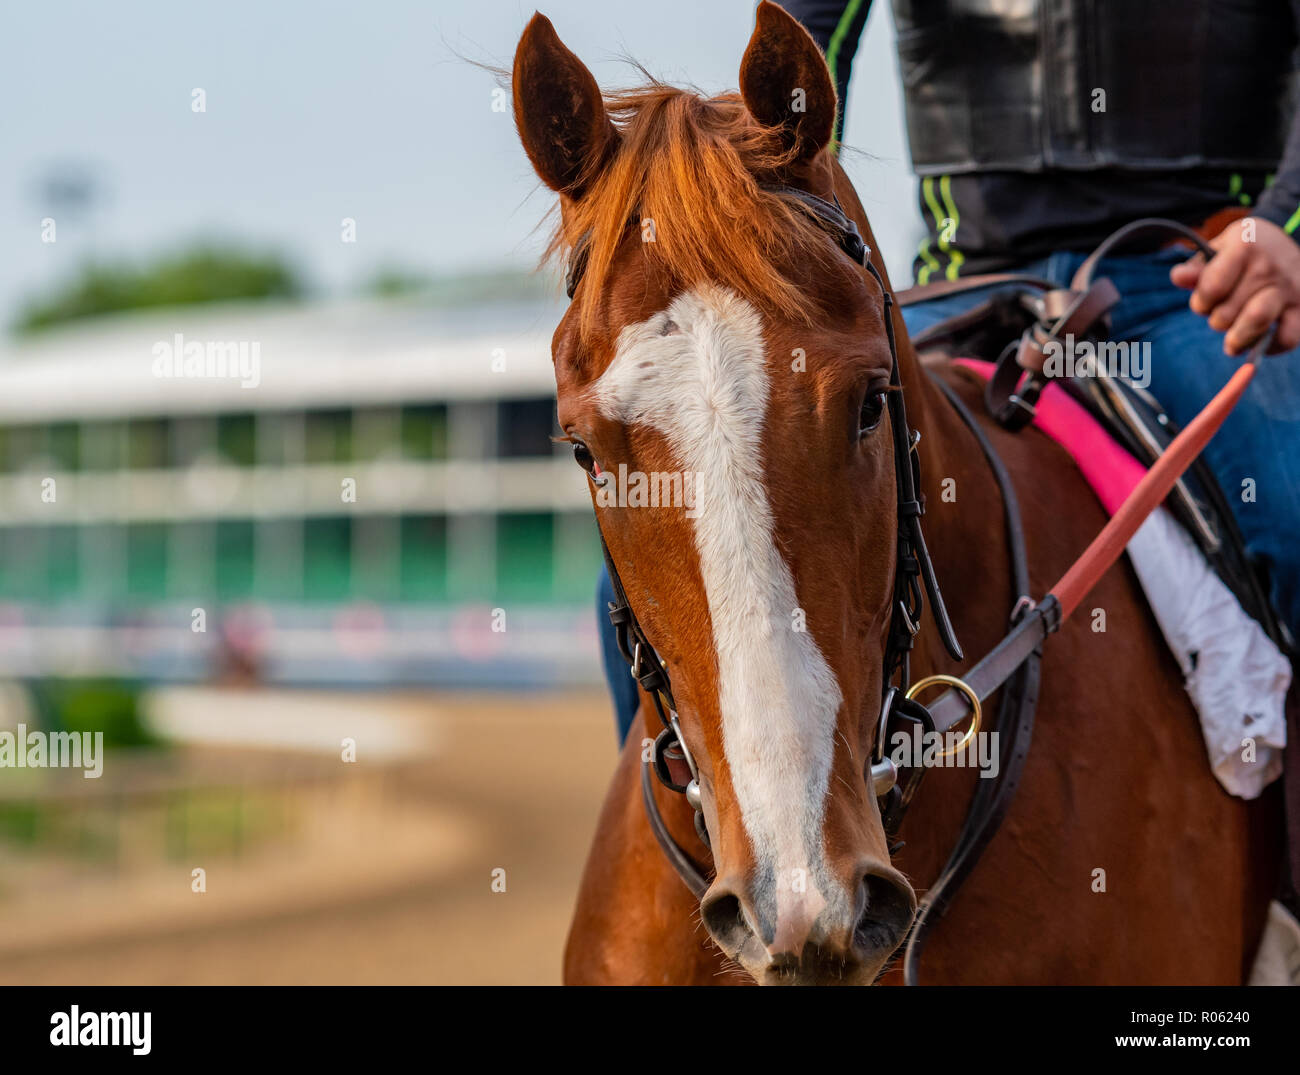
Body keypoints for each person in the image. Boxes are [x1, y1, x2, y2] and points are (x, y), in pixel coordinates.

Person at [598, 0, 1300, 744]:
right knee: (654, 544)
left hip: (1203, 279)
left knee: (1289, 519)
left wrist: (1286, 225)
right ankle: (683, 841)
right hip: (968, 283)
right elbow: (796, 57)